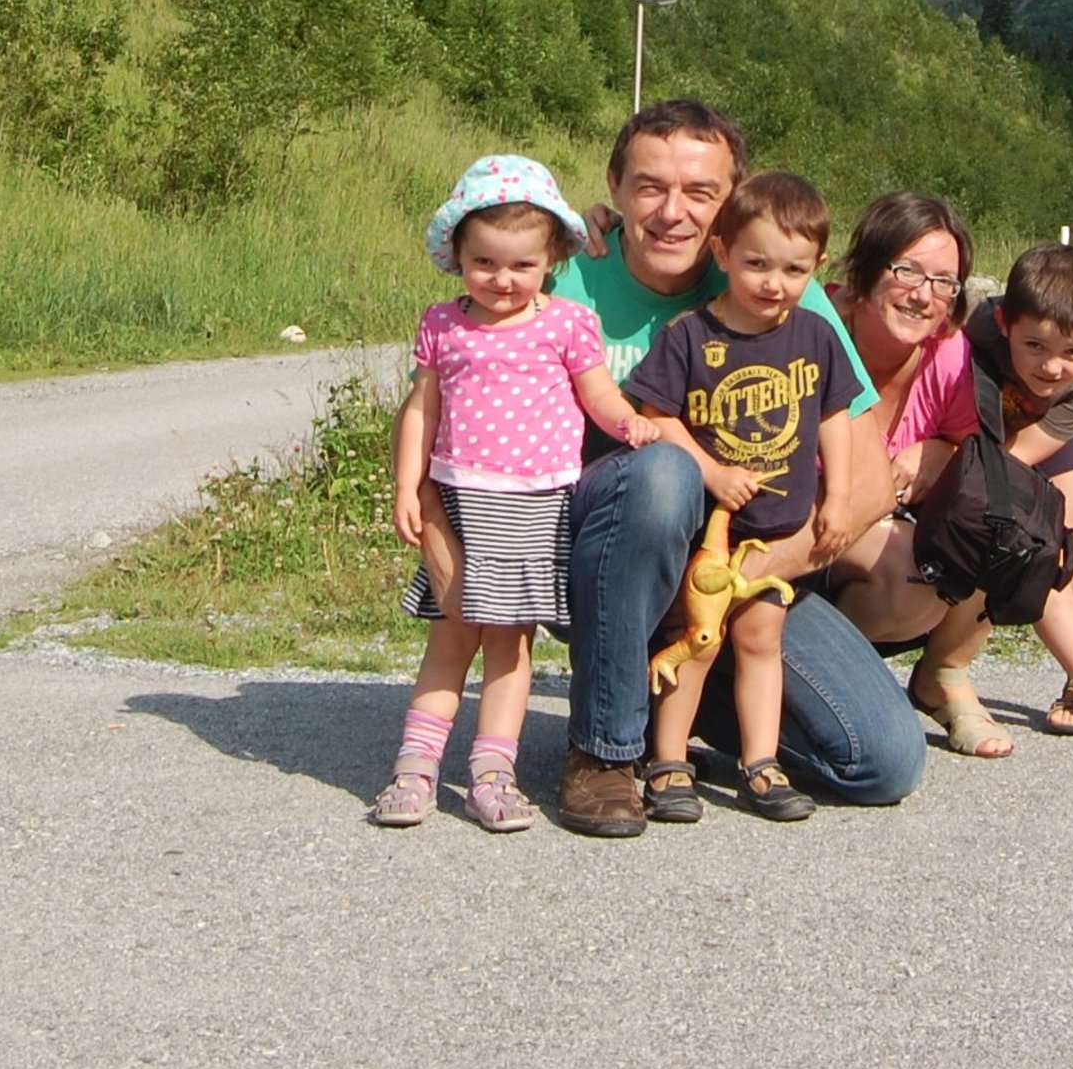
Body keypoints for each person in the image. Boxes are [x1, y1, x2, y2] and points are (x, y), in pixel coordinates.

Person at [549, 100, 922, 838]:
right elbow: (457, 411)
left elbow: (872, 478)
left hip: (745, 570)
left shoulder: (780, 287)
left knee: (881, 760)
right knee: (663, 471)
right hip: (608, 559)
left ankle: (671, 705)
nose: (671, 212)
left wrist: (739, 581)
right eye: (649, 187)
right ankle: (604, 749)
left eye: (700, 192)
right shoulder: (564, 276)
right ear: (614, 189)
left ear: (731, 207)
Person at [830, 207, 1073, 750]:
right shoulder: (974, 329)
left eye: (942, 281)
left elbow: (1012, 465)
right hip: (979, 429)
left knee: (1051, 532)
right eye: (908, 271)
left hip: (1037, 429)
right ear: (1004, 325)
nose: (1053, 364)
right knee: (1001, 519)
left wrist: (951, 459)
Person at [373, 154, 659, 834]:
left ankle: (492, 773)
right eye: (485, 263)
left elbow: (598, 394)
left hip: (533, 506)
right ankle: (415, 768)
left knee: (509, 645)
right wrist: (407, 483)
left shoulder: (566, 324)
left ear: (551, 257)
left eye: (521, 265)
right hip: (459, 501)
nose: (502, 280)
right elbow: (422, 408)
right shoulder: (443, 324)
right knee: (450, 638)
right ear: (458, 256)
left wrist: (630, 423)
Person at [625, 171, 865, 823]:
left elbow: (835, 416)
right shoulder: (690, 335)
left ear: (817, 267)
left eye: (793, 269)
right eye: (757, 263)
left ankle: (761, 762)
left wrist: (838, 497)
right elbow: (657, 415)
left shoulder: (815, 334)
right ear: (722, 252)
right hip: (711, 533)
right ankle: (668, 760)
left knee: (761, 639)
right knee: (698, 640)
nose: (773, 283)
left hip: (778, 533)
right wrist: (710, 472)